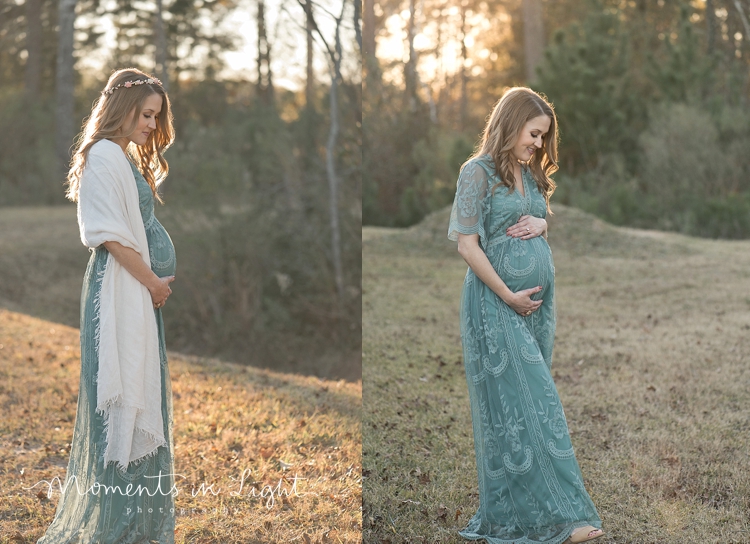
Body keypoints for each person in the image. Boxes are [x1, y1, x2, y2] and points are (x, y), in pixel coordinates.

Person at [447, 87, 604, 544]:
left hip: (534, 309)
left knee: (525, 406)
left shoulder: (529, 173)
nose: (538, 144)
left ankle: (524, 515)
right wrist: (508, 295)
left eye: (543, 137)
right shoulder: (476, 173)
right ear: (512, 123)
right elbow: (466, 243)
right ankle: (563, 520)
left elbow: (535, 218)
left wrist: (543, 224)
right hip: (493, 303)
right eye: (534, 134)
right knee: (534, 406)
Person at [38, 68, 178, 543]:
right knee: (118, 411)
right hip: (119, 291)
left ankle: (136, 527)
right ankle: (114, 529)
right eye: (146, 114)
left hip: (138, 291)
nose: (151, 126)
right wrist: (153, 285)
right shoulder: (102, 155)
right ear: (123, 108)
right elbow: (111, 237)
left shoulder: (121, 156)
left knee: (141, 402)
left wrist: (153, 285)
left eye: (156, 118)